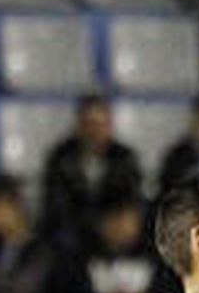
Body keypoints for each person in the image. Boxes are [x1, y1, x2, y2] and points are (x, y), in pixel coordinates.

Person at [39, 97, 144, 242]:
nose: (95, 131)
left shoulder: (124, 158)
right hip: (74, 232)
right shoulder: (61, 158)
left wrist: (116, 220)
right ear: (79, 126)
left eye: (101, 124)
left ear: (110, 126)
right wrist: (96, 224)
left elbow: (131, 198)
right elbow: (56, 206)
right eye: (89, 124)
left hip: (113, 229)